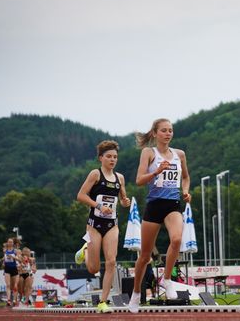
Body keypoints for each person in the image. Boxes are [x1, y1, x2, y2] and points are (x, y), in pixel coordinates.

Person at [128, 118, 191, 313]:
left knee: (177, 239)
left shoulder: (179, 154)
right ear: (155, 133)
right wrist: (157, 171)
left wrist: (186, 191)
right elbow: (139, 180)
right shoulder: (149, 153)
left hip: (173, 204)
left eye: (170, 130)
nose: (168, 133)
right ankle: (136, 293)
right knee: (145, 255)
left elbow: (186, 177)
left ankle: (167, 279)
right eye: (164, 130)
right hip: (154, 206)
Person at [74, 140, 130, 313]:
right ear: (101, 158)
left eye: (115, 157)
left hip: (112, 224)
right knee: (94, 268)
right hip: (94, 225)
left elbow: (122, 198)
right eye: (109, 157)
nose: (112, 160)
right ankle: (85, 250)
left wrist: (125, 201)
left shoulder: (120, 178)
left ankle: (103, 302)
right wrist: (98, 206)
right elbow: (81, 196)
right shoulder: (95, 175)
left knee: (112, 261)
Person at [2, 237, 21, 306]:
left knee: (15, 286)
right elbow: (4, 258)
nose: (10, 243)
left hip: (14, 268)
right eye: (9, 242)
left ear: (13, 243)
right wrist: (3, 262)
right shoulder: (5, 250)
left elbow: (19, 260)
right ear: (7, 243)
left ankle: (15, 299)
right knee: (8, 285)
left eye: (11, 242)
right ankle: (8, 300)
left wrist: (13, 257)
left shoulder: (15, 251)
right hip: (7, 268)